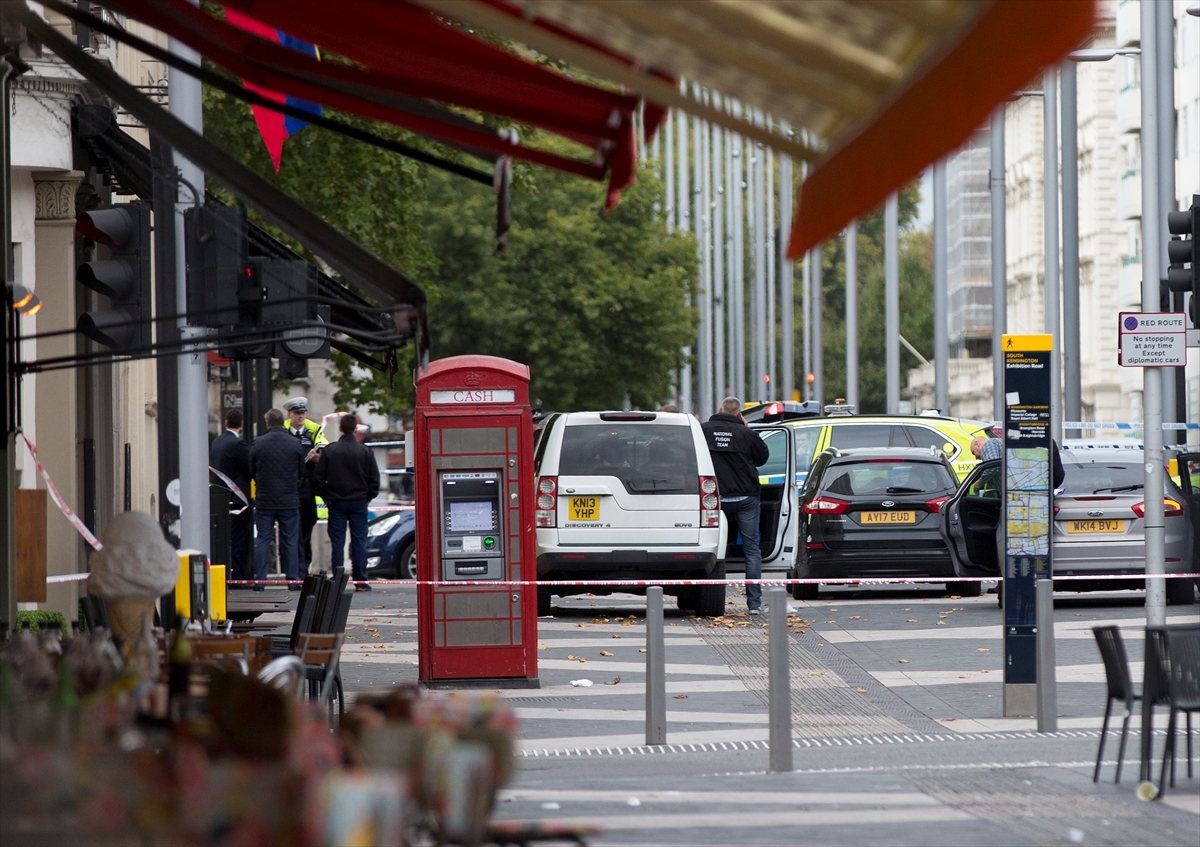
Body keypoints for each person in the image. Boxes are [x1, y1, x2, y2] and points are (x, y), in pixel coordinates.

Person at [701, 397, 770, 614]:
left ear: (719, 409)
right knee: (751, 550)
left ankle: (708, 600)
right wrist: (748, 430)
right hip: (745, 499)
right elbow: (763, 458)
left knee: (713, 548)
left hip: (714, 500)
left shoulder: (703, 431)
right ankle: (754, 605)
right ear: (740, 414)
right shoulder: (747, 434)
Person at [315, 414, 381, 591]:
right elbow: (374, 480)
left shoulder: (330, 451)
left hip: (336, 502)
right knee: (359, 540)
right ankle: (360, 580)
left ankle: (337, 581)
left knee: (337, 542)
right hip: (359, 501)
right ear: (355, 429)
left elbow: (319, 479)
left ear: (340, 428)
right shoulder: (365, 451)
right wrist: (367, 497)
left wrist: (326, 498)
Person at [249, 408, 306, 589]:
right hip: (289, 500)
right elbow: (302, 471)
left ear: (267, 423)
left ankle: (260, 580)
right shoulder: (295, 443)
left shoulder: (258, 443)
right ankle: (293, 580)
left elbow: (251, 470)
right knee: (290, 540)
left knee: (263, 540)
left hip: (265, 499)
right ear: (283, 422)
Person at [282, 397, 328, 574]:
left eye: (303, 413)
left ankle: (303, 569)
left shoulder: (314, 430)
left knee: (306, 531)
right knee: (292, 532)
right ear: (289, 414)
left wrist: (318, 458)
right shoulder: (284, 431)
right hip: (290, 488)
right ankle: (293, 570)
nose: (301, 417)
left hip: (308, 489)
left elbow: (325, 451)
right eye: (297, 413)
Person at [210, 408, 252, 583]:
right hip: (238, 498)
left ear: (226, 423)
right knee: (239, 538)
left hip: (221, 497)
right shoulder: (239, 445)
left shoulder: (217, 443)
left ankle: (227, 573)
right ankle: (238, 576)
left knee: (224, 538)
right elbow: (249, 467)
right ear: (240, 425)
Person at [971, 434, 1065, 487]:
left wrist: (978, 484)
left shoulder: (989, 444)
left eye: (973, 452)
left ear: (977, 444)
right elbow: (1059, 475)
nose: (976, 458)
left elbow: (992, 467)